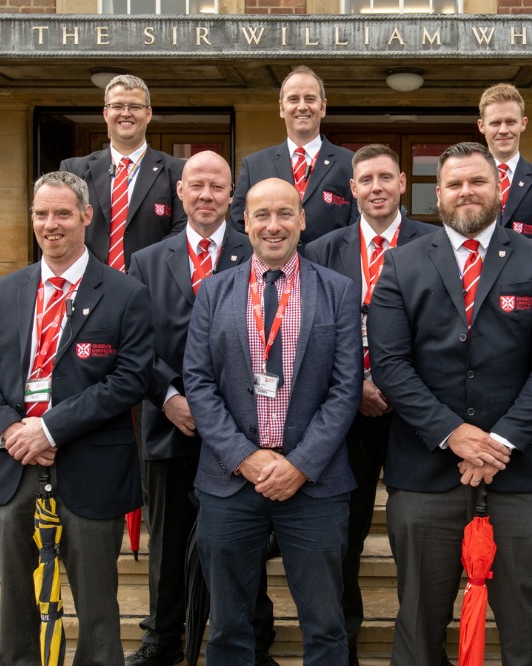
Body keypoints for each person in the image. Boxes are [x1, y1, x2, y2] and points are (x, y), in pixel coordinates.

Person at [367, 142, 532, 666]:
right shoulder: (401, 263)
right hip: (425, 472)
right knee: (418, 622)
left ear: (498, 188)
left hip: (519, 472)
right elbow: (390, 364)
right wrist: (453, 433)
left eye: (477, 181)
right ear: (437, 195)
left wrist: (498, 442)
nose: (467, 192)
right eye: (455, 184)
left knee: (525, 622)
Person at [0, 170, 153, 665]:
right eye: (42, 214)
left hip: (91, 469)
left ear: (87, 216)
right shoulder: (8, 289)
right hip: (14, 465)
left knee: (96, 606)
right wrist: (10, 430)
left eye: (63, 213)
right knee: (16, 603)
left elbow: (130, 380)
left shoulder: (126, 293)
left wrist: (49, 428)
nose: (52, 224)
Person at [183, 177, 362, 665]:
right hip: (230, 482)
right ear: (245, 223)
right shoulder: (214, 292)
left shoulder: (338, 291)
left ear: (302, 220)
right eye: (261, 214)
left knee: (325, 626)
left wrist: (300, 464)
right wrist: (244, 457)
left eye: (285, 213)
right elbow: (198, 382)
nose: (273, 225)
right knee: (228, 627)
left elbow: (346, 388)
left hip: (314, 484)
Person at [124, 151, 271, 666]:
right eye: (197, 185)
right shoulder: (146, 261)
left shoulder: (256, 251)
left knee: (242, 539)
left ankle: (252, 640)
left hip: (241, 429)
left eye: (217, 186)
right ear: (181, 193)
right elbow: (135, 347)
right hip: (171, 425)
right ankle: (163, 637)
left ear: (232, 196)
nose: (207, 195)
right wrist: (169, 397)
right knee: (167, 542)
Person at [304, 144, 435, 665]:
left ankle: (421, 650)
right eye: (366, 179)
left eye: (386, 177)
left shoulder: (433, 244)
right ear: (352, 189)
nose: (376, 187)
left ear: (402, 183)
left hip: (415, 419)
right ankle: (344, 648)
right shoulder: (321, 250)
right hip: (347, 416)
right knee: (343, 540)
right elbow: (311, 334)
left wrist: (400, 388)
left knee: (421, 542)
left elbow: (445, 331)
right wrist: (354, 386)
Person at [60, 74, 186, 272]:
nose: (126, 113)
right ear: (105, 113)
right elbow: (63, 226)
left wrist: (142, 270)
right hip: (89, 280)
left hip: (150, 281)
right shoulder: (74, 170)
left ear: (148, 114)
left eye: (135, 107)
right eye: (117, 106)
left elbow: (181, 232)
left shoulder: (176, 171)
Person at [228, 66, 357, 246]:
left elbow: (357, 230)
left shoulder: (350, 164)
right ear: (282, 107)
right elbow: (238, 230)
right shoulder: (254, 166)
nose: (302, 107)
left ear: (323, 107)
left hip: (330, 264)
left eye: (310, 99)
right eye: (293, 99)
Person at [477, 83, 532, 236]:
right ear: (482, 126)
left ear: (523, 124)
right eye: (495, 123)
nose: (503, 130)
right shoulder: (465, 182)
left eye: (510, 122)